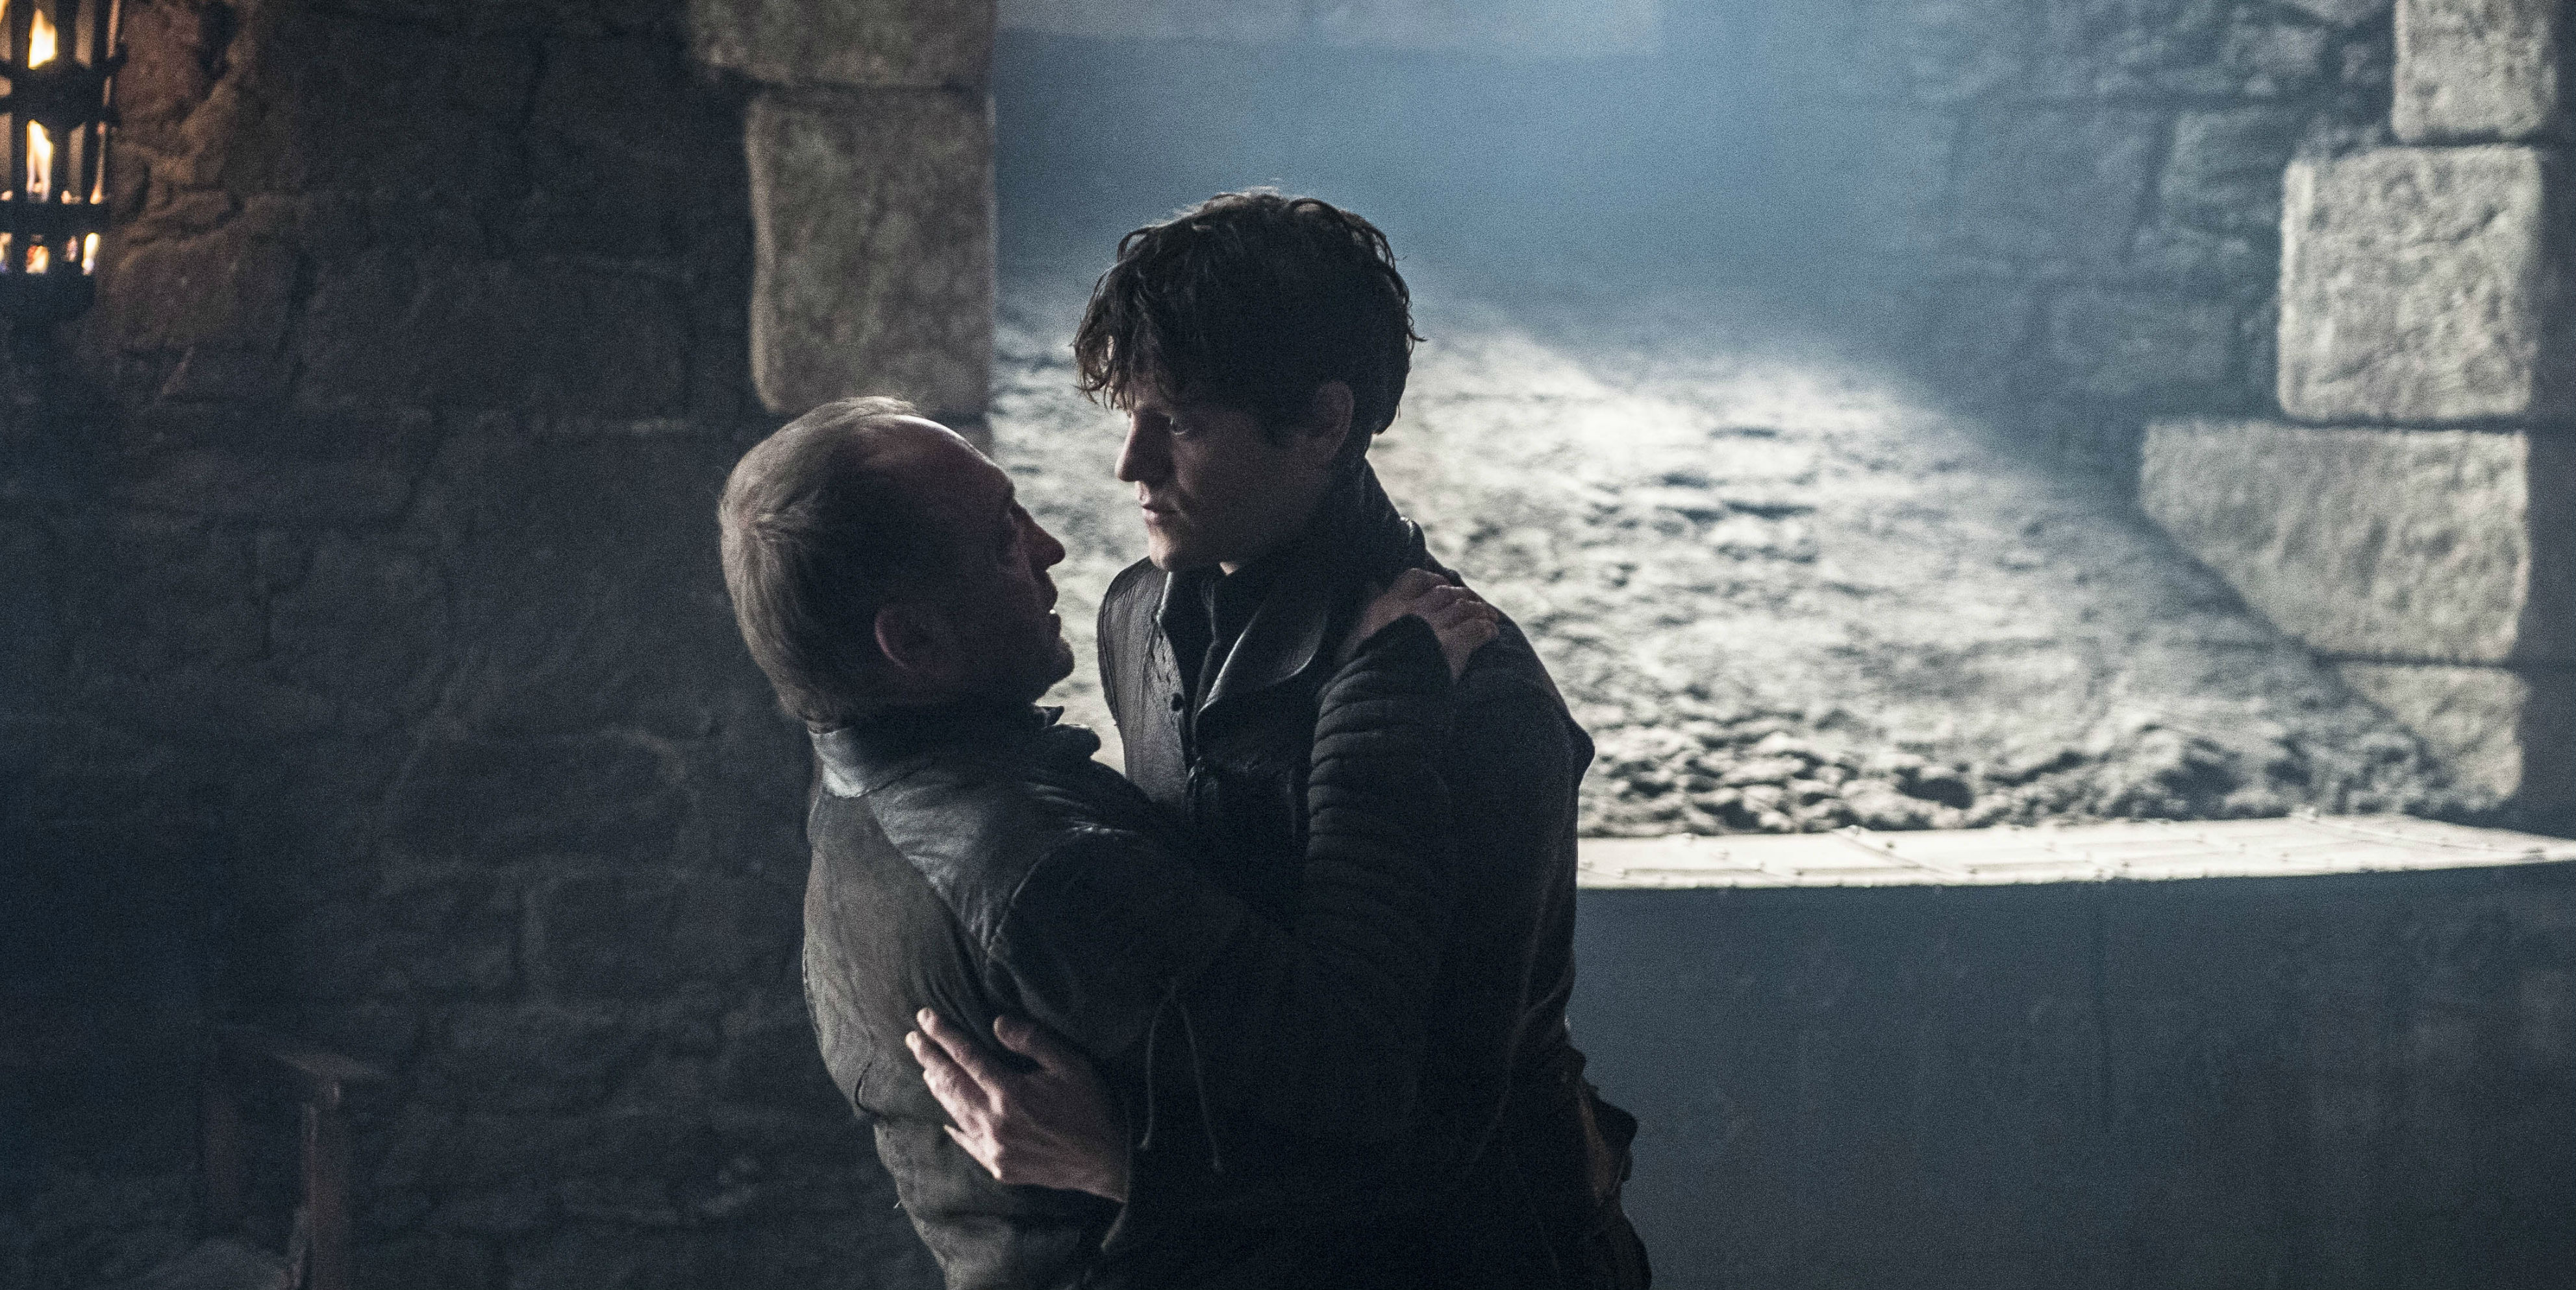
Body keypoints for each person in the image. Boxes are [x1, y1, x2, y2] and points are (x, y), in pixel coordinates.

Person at [916, 192, 1651, 1287]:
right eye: (1130, 414)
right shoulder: (1135, 616)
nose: (1130, 465)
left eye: (1181, 423)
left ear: (1322, 425)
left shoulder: (1482, 702)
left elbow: (1440, 1129)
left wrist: (1125, 1161)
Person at [717, 398, 1508, 1289]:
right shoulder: (1049, 873)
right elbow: (1367, 1083)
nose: (1050, 546)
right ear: (913, 640)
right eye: (1003, 540)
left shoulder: (854, 800)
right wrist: (1380, 705)